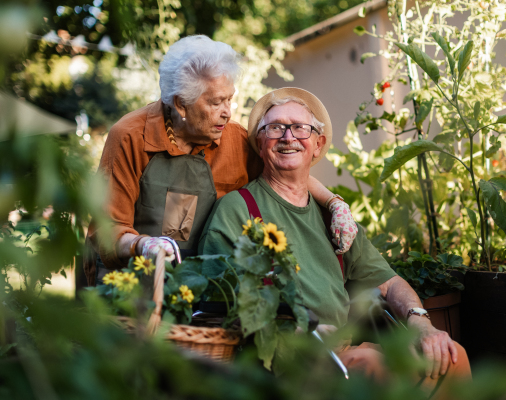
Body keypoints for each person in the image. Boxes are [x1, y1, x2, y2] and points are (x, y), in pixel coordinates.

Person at [198, 87, 471, 392]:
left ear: (318, 145)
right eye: (275, 128)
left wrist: (421, 322)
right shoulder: (237, 209)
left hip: (342, 352)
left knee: (452, 356)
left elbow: (389, 282)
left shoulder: (333, 218)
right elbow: (216, 300)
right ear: (260, 144)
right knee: (373, 367)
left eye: (300, 128)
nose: (288, 137)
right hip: (286, 366)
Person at [83, 36, 357, 286]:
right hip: (128, 283)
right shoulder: (131, 137)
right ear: (180, 105)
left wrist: (333, 203)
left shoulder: (235, 140)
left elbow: (285, 175)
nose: (228, 113)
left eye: (230, 100)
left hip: (205, 285)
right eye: (216, 103)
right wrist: (144, 246)